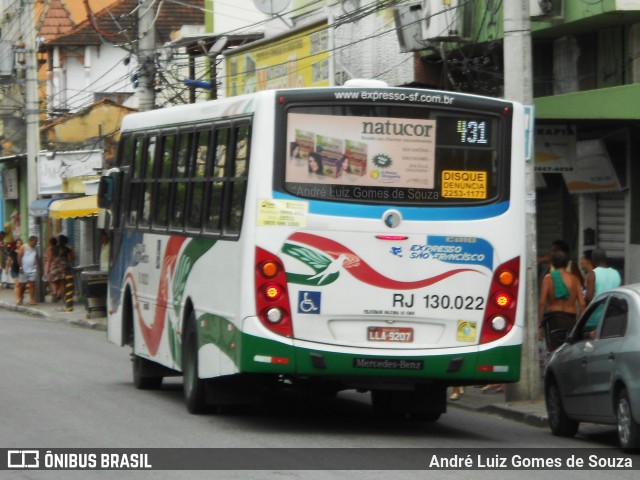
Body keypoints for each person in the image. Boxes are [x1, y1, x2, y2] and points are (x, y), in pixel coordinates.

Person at [538, 250, 586, 352]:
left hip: (553, 319)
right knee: (569, 349)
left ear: (552, 264)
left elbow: (542, 302)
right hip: (570, 319)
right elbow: (582, 304)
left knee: (554, 350)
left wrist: (539, 325)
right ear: (567, 263)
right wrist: (579, 324)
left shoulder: (548, 278)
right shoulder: (575, 279)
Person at [18, 236, 39, 306]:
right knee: (22, 285)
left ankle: (32, 299)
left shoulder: (35, 248)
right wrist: (21, 267)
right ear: (31, 241)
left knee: (32, 284)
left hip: (33, 269)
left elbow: (36, 258)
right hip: (24, 269)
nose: (36, 243)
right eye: (35, 242)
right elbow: (19, 257)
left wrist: (39, 267)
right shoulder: (23, 247)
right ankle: (20, 298)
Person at [55, 235, 76, 302]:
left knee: (62, 283)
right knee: (67, 283)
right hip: (66, 267)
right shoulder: (68, 249)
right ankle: (64, 297)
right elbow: (72, 258)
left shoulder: (56, 249)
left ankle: (62, 297)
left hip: (59, 267)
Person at [44, 236, 63, 301]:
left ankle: (55, 292)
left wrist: (47, 270)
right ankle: (59, 293)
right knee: (59, 281)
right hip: (60, 266)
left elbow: (49, 260)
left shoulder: (49, 249)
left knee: (52, 281)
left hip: (53, 267)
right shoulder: (60, 248)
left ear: (50, 243)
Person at [6, 239, 23, 304]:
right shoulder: (13, 252)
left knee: (20, 285)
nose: (19, 244)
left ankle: (20, 297)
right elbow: (9, 261)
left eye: (21, 243)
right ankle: (18, 299)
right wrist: (7, 269)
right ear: (16, 244)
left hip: (21, 270)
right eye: (18, 243)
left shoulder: (23, 251)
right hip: (14, 270)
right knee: (17, 284)